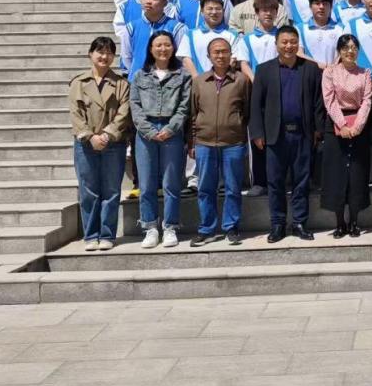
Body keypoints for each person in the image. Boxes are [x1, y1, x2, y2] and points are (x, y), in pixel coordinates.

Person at [249, 25, 324, 243]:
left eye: (293, 42)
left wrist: (318, 130)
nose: (289, 46)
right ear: (276, 44)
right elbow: (256, 105)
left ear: (298, 44)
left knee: (302, 181)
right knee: (275, 182)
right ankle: (278, 224)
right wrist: (257, 133)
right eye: (284, 42)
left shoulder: (310, 69)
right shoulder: (264, 70)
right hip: (275, 136)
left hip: (302, 135)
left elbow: (318, 103)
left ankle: (299, 223)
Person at [130, 31, 192, 249]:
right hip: (145, 132)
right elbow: (135, 106)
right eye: (158, 45)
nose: (163, 49)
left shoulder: (182, 75)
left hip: (172, 132)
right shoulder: (140, 76)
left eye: (167, 45)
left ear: (173, 48)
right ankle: (150, 228)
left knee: (171, 183)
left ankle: (170, 227)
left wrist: (170, 128)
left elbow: (184, 106)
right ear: (151, 49)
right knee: (146, 184)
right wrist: (148, 130)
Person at [69, 37, 132, 251]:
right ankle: (91, 235)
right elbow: (76, 115)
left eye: (109, 53)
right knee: (88, 191)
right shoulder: (79, 83)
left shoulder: (121, 83)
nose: (104, 57)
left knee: (111, 190)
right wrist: (90, 137)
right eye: (100, 52)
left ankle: (107, 235)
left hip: (113, 144)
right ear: (91, 54)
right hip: (86, 144)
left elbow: (124, 113)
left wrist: (106, 134)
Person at [189, 37, 250, 246]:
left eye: (224, 51)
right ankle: (207, 229)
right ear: (208, 56)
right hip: (204, 142)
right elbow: (193, 113)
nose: (220, 55)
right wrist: (192, 141)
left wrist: (240, 132)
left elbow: (247, 111)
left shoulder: (241, 80)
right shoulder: (199, 81)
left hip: (233, 143)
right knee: (206, 188)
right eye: (216, 52)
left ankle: (231, 227)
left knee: (233, 187)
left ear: (231, 54)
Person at [321, 35, 372, 238]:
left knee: (357, 174)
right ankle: (339, 223)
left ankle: (354, 221)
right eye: (345, 48)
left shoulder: (365, 73)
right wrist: (342, 125)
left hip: (359, 127)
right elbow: (329, 100)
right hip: (336, 125)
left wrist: (357, 126)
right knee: (336, 174)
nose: (350, 51)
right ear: (339, 51)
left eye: (353, 47)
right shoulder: (330, 72)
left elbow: (367, 100)